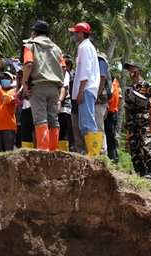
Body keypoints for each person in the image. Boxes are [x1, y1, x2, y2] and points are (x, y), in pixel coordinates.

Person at [21, 20, 64, 151]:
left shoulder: (30, 45)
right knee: (53, 120)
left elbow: (28, 64)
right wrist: (59, 83)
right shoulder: (56, 48)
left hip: (38, 87)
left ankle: (44, 151)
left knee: (40, 120)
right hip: (54, 88)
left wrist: (24, 83)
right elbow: (63, 68)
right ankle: (53, 150)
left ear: (34, 32)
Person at [68, 22, 102, 157]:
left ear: (81, 34)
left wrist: (80, 91)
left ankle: (94, 154)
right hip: (86, 89)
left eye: (75, 33)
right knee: (84, 123)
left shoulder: (85, 47)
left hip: (86, 89)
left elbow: (85, 72)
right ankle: (91, 152)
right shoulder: (85, 46)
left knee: (88, 121)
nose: (74, 35)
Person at [123, 62, 151, 179]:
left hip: (144, 118)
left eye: (132, 68)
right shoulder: (129, 89)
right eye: (129, 69)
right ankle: (140, 173)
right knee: (134, 147)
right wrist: (127, 122)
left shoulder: (146, 85)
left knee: (146, 144)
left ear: (138, 69)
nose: (130, 71)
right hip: (132, 121)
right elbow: (127, 107)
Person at [95, 52, 111, 155]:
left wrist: (95, 95)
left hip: (99, 100)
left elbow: (102, 78)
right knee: (96, 126)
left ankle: (102, 153)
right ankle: (97, 151)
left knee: (98, 126)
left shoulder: (100, 60)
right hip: (99, 100)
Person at [105, 76, 122, 163]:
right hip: (110, 111)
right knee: (110, 135)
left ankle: (113, 158)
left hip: (111, 112)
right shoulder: (116, 84)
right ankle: (112, 157)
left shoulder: (114, 84)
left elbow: (120, 99)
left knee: (110, 135)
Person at [58, 60, 72, 151]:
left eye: (67, 64)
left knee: (63, 131)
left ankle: (64, 154)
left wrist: (59, 100)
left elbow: (65, 89)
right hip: (55, 104)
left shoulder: (66, 74)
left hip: (65, 105)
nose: (65, 66)